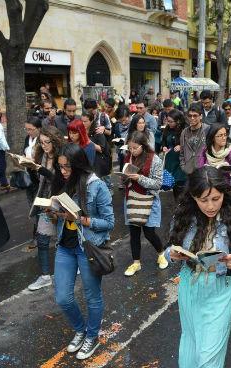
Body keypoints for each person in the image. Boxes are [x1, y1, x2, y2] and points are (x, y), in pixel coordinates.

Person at [165, 165, 231, 368]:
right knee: (190, 346)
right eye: (203, 200)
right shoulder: (183, 215)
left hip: (221, 289)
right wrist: (171, 254)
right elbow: (169, 247)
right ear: (193, 197)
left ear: (225, 193)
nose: (210, 206)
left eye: (216, 198)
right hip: (190, 285)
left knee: (209, 358)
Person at [50, 143, 114, 360]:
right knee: (62, 297)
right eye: (60, 167)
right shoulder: (62, 182)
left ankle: (92, 336)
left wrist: (80, 219)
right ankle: (81, 329)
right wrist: (53, 213)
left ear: (78, 166)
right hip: (65, 246)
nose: (63, 171)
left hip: (88, 247)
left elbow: (109, 222)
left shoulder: (97, 186)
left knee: (92, 296)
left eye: (67, 167)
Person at [123, 131, 167, 276]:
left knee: (149, 232)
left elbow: (158, 184)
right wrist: (125, 178)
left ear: (143, 146)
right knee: (134, 233)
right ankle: (136, 263)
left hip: (148, 199)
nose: (132, 151)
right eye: (130, 148)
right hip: (131, 198)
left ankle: (161, 254)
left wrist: (139, 178)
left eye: (135, 148)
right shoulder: (128, 157)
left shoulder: (155, 160)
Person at [27, 126, 66, 291]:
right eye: (41, 142)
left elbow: (63, 181)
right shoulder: (41, 155)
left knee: (64, 238)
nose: (43, 145)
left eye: (47, 142)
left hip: (62, 200)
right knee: (42, 239)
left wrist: (44, 171)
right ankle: (44, 276)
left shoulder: (62, 157)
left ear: (55, 141)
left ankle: (74, 266)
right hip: (45, 201)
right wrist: (31, 169)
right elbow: (38, 181)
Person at [81, 112, 112, 191]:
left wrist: (88, 142)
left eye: (85, 121)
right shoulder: (81, 131)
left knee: (103, 185)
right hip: (87, 161)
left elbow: (101, 149)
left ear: (91, 121)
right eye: (82, 121)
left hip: (99, 161)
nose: (83, 123)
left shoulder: (97, 131)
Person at [161, 109, 187, 200]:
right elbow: (164, 141)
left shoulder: (184, 130)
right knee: (173, 184)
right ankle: (178, 205)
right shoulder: (167, 129)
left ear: (178, 121)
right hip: (170, 159)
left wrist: (181, 146)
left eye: (171, 122)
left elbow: (190, 145)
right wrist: (164, 147)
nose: (169, 123)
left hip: (180, 161)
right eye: (168, 121)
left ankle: (183, 206)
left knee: (181, 184)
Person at [180, 104, 210, 175]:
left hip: (204, 170)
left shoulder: (207, 129)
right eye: (190, 116)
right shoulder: (184, 132)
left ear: (201, 116)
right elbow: (182, 152)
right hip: (188, 170)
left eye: (195, 115)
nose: (192, 118)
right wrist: (183, 166)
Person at [23, 117, 42, 205]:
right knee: (31, 200)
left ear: (38, 128)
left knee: (39, 201)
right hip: (29, 173)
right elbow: (25, 151)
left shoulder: (42, 139)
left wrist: (33, 160)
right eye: (26, 129)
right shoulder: (28, 138)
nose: (28, 132)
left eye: (30, 129)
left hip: (38, 174)